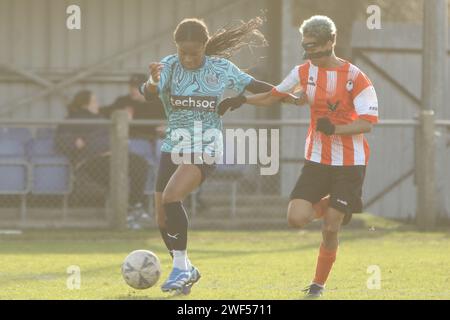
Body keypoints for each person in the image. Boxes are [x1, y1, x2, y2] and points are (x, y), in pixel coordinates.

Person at [218, 15, 379, 298]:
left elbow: (367, 123)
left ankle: (317, 285)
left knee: (330, 227)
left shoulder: (357, 78)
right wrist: (242, 99)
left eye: (317, 47)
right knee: (296, 218)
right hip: (317, 158)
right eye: (307, 47)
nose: (312, 54)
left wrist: (337, 129)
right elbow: (275, 94)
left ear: (332, 41)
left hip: (350, 163)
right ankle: (344, 205)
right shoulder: (304, 71)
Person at [140, 17, 278, 294]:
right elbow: (149, 92)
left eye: (194, 52)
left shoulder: (221, 68)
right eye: (183, 52)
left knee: (171, 197)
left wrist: (287, 92)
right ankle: (187, 269)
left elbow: (254, 85)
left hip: (206, 146)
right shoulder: (168, 66)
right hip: (173, 147)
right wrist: (154, 83)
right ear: (176, 48)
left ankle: (179, 268)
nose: (188, 58)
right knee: (162, 219)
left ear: (205, 46)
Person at [55, 90, 150, 228]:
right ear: (85, 104)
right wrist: (74, 141)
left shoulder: (101, 118)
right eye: (94, 101)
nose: (97, 104)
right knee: (116, 177)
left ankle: (135, 205)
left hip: (115, 156)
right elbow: (60, 139)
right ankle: (124, 214)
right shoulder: (73, 119)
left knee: (140, 164)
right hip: (92, 160)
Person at [100, 74, 166, 141]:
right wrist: (119, 114)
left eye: (137, 87)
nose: (133, 90)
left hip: (149, 140)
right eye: (131, 86)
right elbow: (105, 112)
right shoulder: (123, 101)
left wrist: (132, 120)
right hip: (126, 139)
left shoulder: (157, 103)